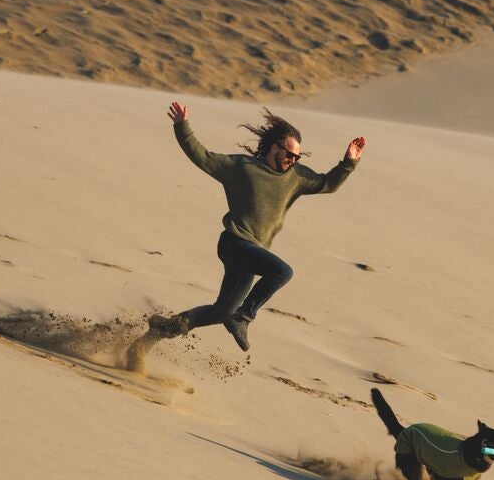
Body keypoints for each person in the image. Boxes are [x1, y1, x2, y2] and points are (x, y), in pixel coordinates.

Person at [147, 103, 366, 352]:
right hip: (234, 243)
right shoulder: (242, 168)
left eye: (297, 157)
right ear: (274, 147)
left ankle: (157, 332)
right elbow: (203, 157)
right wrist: (182, 127)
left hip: (252, 253)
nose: (292, 160)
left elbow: (327, 184)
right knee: (282, 272)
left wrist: (349, 162)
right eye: (289, 154)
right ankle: (244, 317)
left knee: (220, 311)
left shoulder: (296, 177)